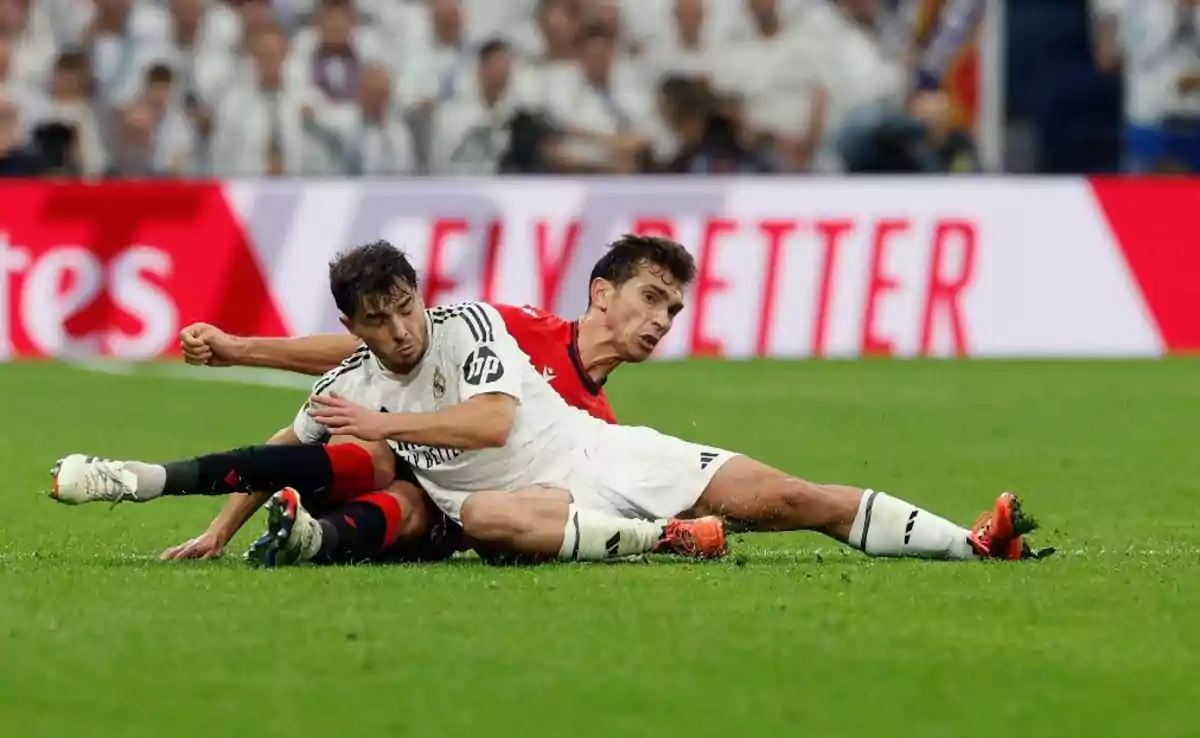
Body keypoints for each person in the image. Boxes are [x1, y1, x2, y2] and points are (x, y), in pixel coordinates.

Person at [50, 240, 1048, 567]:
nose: (662, 320)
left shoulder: (576, 390)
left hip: (592, 463)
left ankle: (973, 542)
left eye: (673, 306)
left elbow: (476, 410)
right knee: (461, 509)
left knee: (787, 495)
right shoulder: (512, 323)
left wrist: (382, 421)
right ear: (601, 293)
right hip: (486, 498)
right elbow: (342, 380)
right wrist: (243, 354)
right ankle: (665, 544)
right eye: (650, 298)